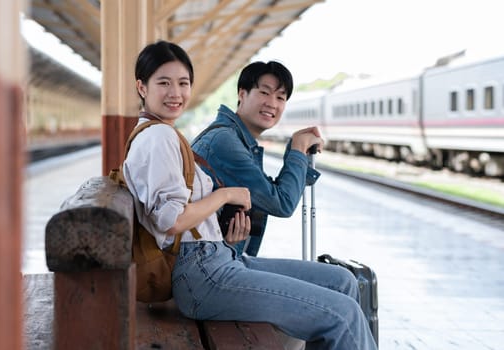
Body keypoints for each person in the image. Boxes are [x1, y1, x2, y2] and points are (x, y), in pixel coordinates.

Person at [123, 40, 377, 350]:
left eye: (183, 83)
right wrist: (226, 195)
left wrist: (221, 232)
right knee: (344, 313)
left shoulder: (162, 133)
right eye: (164, 83)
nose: (175, 93)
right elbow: (171, 220)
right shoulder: (160, 136)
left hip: (219, 257)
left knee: (342, 281)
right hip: (203, 273)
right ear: (142, 86)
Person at [191, 60, 322, 256]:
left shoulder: (234, 138)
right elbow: (282, 203)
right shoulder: (225, 142)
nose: (272, 103)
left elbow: (273, 193)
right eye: (265, 92)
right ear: (242, 94)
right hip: (204, 263)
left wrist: (297, 150)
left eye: (281, 97)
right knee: (339, 279)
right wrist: (298, 148)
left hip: (218, 255)